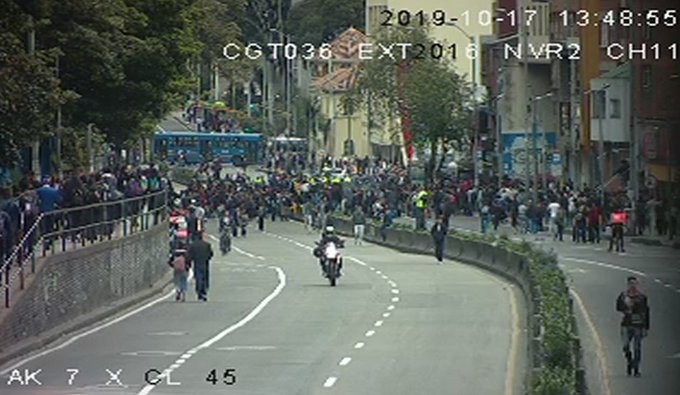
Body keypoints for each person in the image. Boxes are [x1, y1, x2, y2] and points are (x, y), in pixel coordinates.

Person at [616, 276, 650, 377]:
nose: (633, 285)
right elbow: (618, 307)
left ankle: (636, 369)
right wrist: (626, 310)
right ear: (628, 284)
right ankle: (630, 360)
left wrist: (646, 327)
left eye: (634, 283)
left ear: (637, 284)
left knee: (637, 348)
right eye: (631, 283)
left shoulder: (642, 297)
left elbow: (646, 312)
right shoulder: (623, 296)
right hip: (626, 324)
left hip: (638, 325)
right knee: (625, 346)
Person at [187, 231, 213, 301]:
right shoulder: (207, 244)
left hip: (197, 263)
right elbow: (210, 254)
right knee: (204, 277)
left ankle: (199, 292)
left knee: (198, 278)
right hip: (205, 263)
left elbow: (189, 256)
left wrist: (188, 263)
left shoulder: (192, 245)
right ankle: (204, 291)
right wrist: (207, 258)